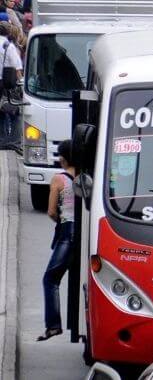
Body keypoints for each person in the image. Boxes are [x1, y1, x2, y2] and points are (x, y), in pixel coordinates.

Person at [38, 140, 75, 341]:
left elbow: (52, 211)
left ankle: (53, 325)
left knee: (50, 279)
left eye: (60, 155)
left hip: (68, 233)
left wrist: (60, 219)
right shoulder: (86, 177)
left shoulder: (58, 179)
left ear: (64, 157)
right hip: (87, 233)